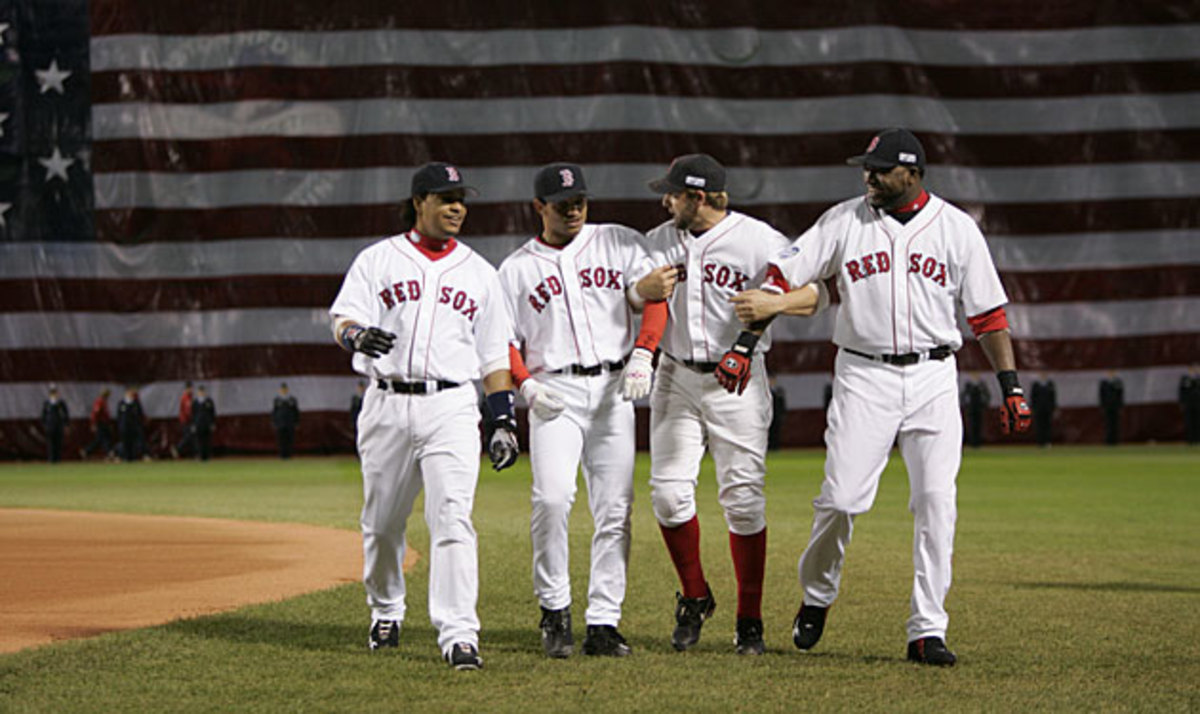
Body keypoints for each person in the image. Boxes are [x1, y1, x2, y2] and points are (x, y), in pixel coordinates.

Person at [730, 128, 1032, 666]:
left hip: (934, 376)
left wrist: (1010, 385)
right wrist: (751, 332)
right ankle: (818, 592)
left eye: (881, 169)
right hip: (863, 375)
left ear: (912, 173)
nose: (869, 176)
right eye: (867, 168)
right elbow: (782, 273)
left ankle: (927, 629)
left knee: (936, 502)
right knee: (842, 500)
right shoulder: (843, 221)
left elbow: (988, 316)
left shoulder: (956, 229)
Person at [329, 161, 518, 671]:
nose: (457, 207)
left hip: (451, 406)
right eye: (446, 198)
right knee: (382, 523)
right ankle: (386, 609)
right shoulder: (378, 260)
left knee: (452, 517)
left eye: (461, 200)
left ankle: (459, 633)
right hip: (387, 403)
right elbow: (342, 318)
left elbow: (494, 356)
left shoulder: (480, 273)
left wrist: (503, 420)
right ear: (419, 203)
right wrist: (355, 336)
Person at [637, 153, 822, 655]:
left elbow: (815, 292)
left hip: (737, 380)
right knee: (668, 496)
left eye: (673, 193)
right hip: (676, 374)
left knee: (743, 501)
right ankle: (695, 595)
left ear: (697, 197)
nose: (665, 201)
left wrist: (775, 304)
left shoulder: (759, 239)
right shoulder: (658, 240)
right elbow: (639, 298)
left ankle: (749, 618)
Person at [498, 162, 668, 659]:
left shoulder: (619, 241)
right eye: (562, 204)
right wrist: (527, 386)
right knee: (552, 500)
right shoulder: (516, 269)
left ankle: (604, 621)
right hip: (554, 392)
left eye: (579, 202)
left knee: (615, 509)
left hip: (615, 387)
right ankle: (554, 611)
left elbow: (656, 292)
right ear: (539, 207)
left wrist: (645, 352)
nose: (573, 211)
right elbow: (502, 341)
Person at [80, 388, 115, 461]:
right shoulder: (99, 402)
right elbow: (95, 413)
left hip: (104, 423)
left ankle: (87, 451)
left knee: (102, 439)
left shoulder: (104, 402)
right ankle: (109, 452)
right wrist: (94, 423)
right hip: (100, 423)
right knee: (103, 439)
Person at [116, 386, 147, 462]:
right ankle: (126, 457)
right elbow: (119, 416)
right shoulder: (121, 403)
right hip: (124, 426)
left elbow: (140, 414)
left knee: (134, 442)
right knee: (125, 442)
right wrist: (120, 425)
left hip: (134, 426)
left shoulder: (135, 403)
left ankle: (133, 457)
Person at [41, 385, 69, 463]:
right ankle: (51, 458)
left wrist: (66, 424)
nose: (54, 394)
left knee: (58, 442)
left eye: (55, 392)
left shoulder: (61, 403)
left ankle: (58, 458)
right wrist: (45, 424)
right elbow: (43, 415)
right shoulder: (47, 403)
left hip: (59, 425)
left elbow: (65, 414)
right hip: (50, 426)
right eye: (52, 392)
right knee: (50, 443)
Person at [960, 374, 989, 448]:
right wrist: (965, 404)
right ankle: (972, 441)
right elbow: (963, 396)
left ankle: (978, 441)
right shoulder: (969, 386)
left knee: (978, 425)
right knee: (971, 425)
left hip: (978, 407)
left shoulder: (981, 386)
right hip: (971, 408)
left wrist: (985, 404)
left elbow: (987, 395)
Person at [271, 383, 299, 459]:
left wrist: (296, 422)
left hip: (290, 422)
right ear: (279, 390)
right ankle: (282, 455)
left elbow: (296, 411)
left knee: (290, 439)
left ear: (287, 390)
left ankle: (289, 455)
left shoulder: (292, 399)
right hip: (280, 423)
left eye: (285, 389)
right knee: (281, 439)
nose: (283, 390)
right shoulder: (277, 400)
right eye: (282, 389)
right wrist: (274, 422)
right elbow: (274, 411)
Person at [1031, 373, 1057, 448]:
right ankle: (1040, 442)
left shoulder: (1050, 384)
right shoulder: (1036, 385)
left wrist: (1054, 408)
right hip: (1038, 409)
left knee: (1047, 425)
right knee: (1039, 425)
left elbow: (1053, 397)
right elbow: (1033, 397)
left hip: (1048, 409)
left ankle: (1047, 441)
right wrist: (1033, 408)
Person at [192, 385, 216, 461]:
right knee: (199, 440)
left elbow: (212, 413)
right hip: (198, 424)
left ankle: (207, 456)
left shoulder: (209, 401)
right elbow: (193, 414)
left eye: (202, 391)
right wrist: (193, 424)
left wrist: (212, 423)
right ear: (198, 392)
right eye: (200, 391)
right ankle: (200, 455)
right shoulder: (195, 402)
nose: (201, 393)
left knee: (207, 440)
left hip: (207, 423)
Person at [172, 381, 196, 459]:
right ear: (187, 388)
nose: (191, 390)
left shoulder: (190, 397)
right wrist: (192, 419)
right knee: (188, 436)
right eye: (190, 388)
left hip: (188, 421)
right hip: (186, 421)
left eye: (192, 388)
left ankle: (194, 454)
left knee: (191, 437)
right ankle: (178, 448)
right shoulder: (185, 398)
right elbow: (187, 411)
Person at [1100, 370, 1124, 446]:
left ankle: (1115, 440)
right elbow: (1101, 395)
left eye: (1112, 372)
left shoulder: (1118, 382)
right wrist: (1103, 406)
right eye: (1109, 372)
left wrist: (1120, 406)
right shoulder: (1104, 383)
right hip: (1107, 406)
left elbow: (1120, 395)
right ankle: (1108, 440)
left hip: (1115, 406)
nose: (1111, 373)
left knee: (1115, 424)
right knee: (1108, 424)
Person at [1181, 364, 1200, 445]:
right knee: (1189, 422)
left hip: (1198, 403)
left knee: (1198, 422)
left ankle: (1198, 439)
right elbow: (1181, 391)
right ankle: (1190, 440)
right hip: (1188, 404)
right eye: (1192, 368)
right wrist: (1182, 402)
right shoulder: (1185, 378)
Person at [768, 377, 787, 451]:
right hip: (768, 415)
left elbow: (782, 404)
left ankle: (775, 447)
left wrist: (783, 415)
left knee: (776, 432)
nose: (771, 382)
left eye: (772, 380)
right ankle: (768, 447)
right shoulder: (765, 392)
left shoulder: (779, 391)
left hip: (777, 416)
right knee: (768, 432)